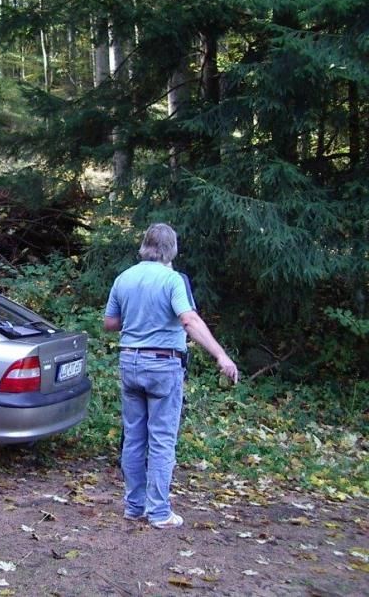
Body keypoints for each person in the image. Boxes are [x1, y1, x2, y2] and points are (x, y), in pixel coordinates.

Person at [103, 223, 238, 529]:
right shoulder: (173, 280)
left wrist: (138, 317)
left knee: (133, 438)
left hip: (129, 362)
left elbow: (110, 323)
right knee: (162, 439)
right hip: (163, 365)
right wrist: (221, 355)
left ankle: (134, 507)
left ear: (144, 245)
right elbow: (188, 320)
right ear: (171, 249)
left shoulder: (124, 277)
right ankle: (160, 512)